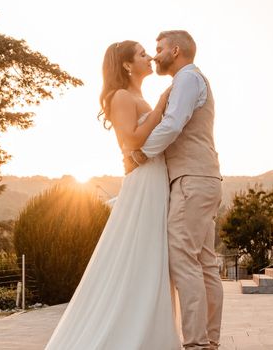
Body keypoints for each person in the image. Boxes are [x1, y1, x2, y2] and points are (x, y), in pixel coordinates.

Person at [43, 40, 180, 350]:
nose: (149, 57)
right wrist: (161, 107)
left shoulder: (137, 97)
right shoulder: (121, 96)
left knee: (151, 256)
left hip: (156, 179)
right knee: (141, 253)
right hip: (143, 181)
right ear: (127, 65)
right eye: (142, 54)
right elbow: (130, 141)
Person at [126, 30, 223, 350]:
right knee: (205, 264)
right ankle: (208, 341)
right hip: (205, 179)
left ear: (176, 50)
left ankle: (196, 343)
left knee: (183, 258)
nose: (155, 55)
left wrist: (140, 155)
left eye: (159, 48)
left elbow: (172, 124)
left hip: (192, 180)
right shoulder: (192, 80)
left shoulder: (187, 79)